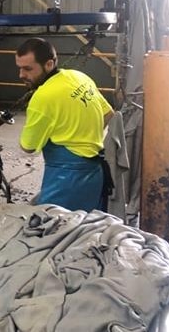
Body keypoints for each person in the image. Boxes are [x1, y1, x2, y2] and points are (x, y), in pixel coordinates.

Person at [15, 37, 114, 211]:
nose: (21, 75)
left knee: (55, 230)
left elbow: (28, 147)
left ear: (49, 64)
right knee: (90, 229)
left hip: (67, 181)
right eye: (20, 68)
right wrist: (83, 135)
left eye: (28, 69)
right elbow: (108, 114)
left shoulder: (42, 98)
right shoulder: (78, 76)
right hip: (95, 174)